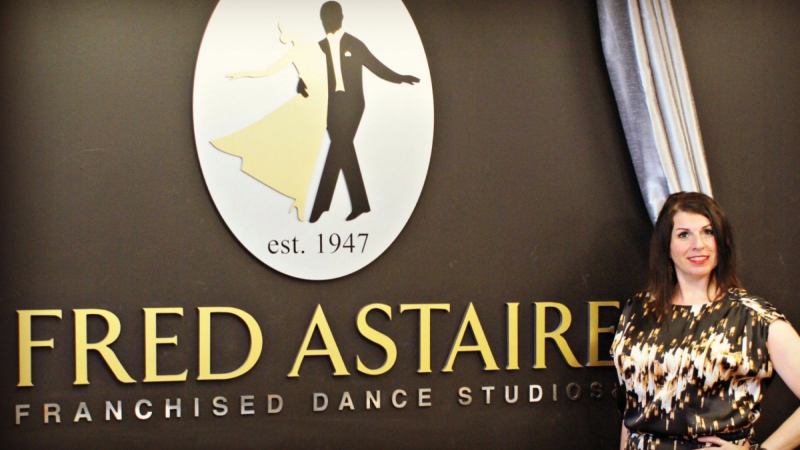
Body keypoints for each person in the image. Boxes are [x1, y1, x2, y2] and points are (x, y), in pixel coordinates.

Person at [611, 192, 800, 450]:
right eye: (684, 234)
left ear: (721, 241)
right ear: (666, 245)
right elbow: (632, 410)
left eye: (708, 232)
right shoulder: (638, 311)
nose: (698, 244)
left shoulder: (752, 317)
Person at [307, 1, 419, 223]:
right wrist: (302, 86)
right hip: (329, 105)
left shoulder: (354, 44)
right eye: (325, 18)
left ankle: (320, 206)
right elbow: (308, 74)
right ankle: (359, 204)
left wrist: (400, 78)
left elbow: (376, 66)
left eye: (332, 16)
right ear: (322, 20)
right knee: (342, 148)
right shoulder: (318, 48)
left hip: (353, 104)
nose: (329, 21)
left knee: (340, 146)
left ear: (341, 17)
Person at [211, 24, 328, 222]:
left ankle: (300, 197)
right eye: (281, 31)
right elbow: (267, 72)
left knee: (305, 150)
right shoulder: (298, 51)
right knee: (295, 143)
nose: (283, 35)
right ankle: (299, 197)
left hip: (318, 104)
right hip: (313, 102)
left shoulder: (314, 49)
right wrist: (242, 74)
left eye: (285, 30)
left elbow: (329, 76)